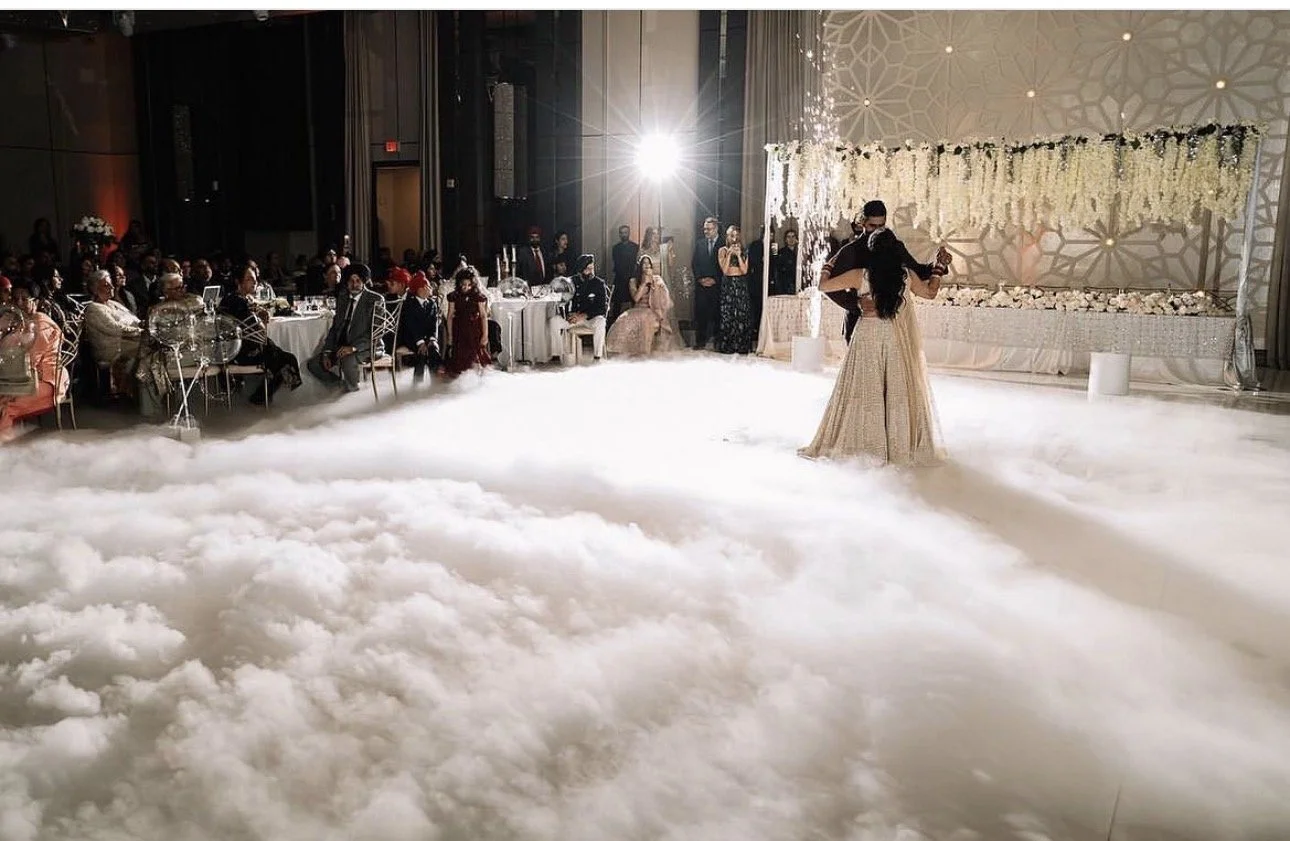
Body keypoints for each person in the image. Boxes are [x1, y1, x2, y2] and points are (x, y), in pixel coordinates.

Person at [800, 228, 945, 467]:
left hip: (867, 334)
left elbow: (823, 286)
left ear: (872, 250)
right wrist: (938, 268)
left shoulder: (861, 275)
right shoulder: (905, 275)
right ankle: (896, 446)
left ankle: (866, 443)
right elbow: (930, 292)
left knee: (865, 388)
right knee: (894, 389)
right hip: (893, 335)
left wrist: (830, 263)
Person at [823, 200, 948, 343]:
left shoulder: (894, 246)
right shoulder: (851, 251)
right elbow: (828, 287)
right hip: (859, 321)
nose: (877, 230)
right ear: (862, 223)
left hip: (891, 323)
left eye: (881, 226)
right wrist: (855, 303)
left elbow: (916, 272)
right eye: (872, 226)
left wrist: (940, 265)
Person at [220, 265, 303, 404]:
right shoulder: (238, 302)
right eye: (249, 279)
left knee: (282, 357)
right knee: (288, 359)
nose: (254, 282)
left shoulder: (233, 299)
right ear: (238, 282)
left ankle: (262, 397)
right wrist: (261, 319)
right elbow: (259, 331)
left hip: (234, 350)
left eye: (255, 279)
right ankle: (261, 398)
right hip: (242, 352)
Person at [0, 284, 65, 442]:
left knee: (7, 408)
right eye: (16, 299)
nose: (19, 303)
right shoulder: (21, 323)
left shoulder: (41, 325)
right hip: (25, 379)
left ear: (35, 302)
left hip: (47, 382)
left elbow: (30, 361)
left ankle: (6, 452)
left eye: (24, 298)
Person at [307, 263, 382, 394]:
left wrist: (353, 348)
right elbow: (335, 328)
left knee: (347, 359)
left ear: (364, 282)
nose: (354, 284)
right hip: (342, 346)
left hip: (367, 346)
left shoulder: (375, 299)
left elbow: (376, 333)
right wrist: (327, 352)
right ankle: (341, 388)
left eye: (358, 281)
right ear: (346, 282)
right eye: (351, 281)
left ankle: (352, 394)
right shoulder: (343, 298)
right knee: (314, 364)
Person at [604, 254, 676, 357]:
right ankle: (624, 352)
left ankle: (645, 352)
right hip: (638, 309)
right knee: (623, 320)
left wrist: (654, 284)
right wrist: (643, 284)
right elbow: (636, 298)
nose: (647, 265)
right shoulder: (633, 281)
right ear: (640, 266)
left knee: (646, 320)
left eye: (648, 263)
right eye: (644, 263)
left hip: (653, 310)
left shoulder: (657, 279)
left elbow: (664, 298)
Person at [547, 254, 609, 363]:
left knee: (601, 321)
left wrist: (583, 316)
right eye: (587, 269)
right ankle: (557, 356)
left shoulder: (599, 283)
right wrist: (568, 315)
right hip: (573, 318)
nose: (590, 272)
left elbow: (602, 308)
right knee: (554, 321)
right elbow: (562, 301)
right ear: (580, 269)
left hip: (589, 319)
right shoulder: (570, 282)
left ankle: (597, 357)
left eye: (592, 268)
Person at [443, 266, 491, 377]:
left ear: (473, 284)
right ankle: (460, 379)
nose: (466, 287)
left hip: (474, 329)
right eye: (463, 285)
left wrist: (485, 335)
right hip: (459, 328)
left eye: (469, 285)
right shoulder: (454, 296)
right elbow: (449, 316)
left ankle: (475, 379)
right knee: (459, 357)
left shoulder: (478, 296)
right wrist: (450, 336)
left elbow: (483, 316)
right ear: (459, 283)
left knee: (475, 356)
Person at [715, 224, 754, 355]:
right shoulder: (722, 250)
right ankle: (728, 345)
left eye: (737, 235)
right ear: (727, 236)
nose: (735, 238)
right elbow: (725, 270)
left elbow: (744, 270)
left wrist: (738, 255)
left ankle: (742, 345)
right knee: (728, 314)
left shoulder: (744, 250)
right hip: (728, 283)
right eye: (732, 235)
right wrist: (729, 254)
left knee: (742, 314)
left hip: (741, 283)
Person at [398, 270, 442, 384]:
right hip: (411, 337)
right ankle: (417, 383)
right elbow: (411, 325)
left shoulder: (431, 303)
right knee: (421, 352)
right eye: (428, 286)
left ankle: (435, 381)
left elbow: (434, 323)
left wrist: (433, 339)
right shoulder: (409, 304)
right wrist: (420, 342)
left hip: (427, 336)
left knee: (433, 350)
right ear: (420, 289)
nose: (430, 288)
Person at [690, 216, 722, 349]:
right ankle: (700, 342)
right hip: (702, 286)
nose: (706, 232)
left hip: (717, 285)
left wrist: (715, 279)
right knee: (700, 313)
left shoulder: (724, 243)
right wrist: (700, 279)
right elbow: (695, 263)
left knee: (717, 314)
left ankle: (718, 342)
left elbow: (725, 266)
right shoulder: (699, 244)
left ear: (716, 229)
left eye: (708, 229)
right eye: (704, 229)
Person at [609, 225, 639, 324]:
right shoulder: (616, 248)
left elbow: (636, 263)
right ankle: (614, 324)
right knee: (617, 303)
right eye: (622, 232)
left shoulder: (635, 247)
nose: (624, 234)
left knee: (634, 299)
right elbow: (616, 262)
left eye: (625, 232)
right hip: (619, 277)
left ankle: (635, 322)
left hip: (631, 277)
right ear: (619, 234)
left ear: (629, 233)